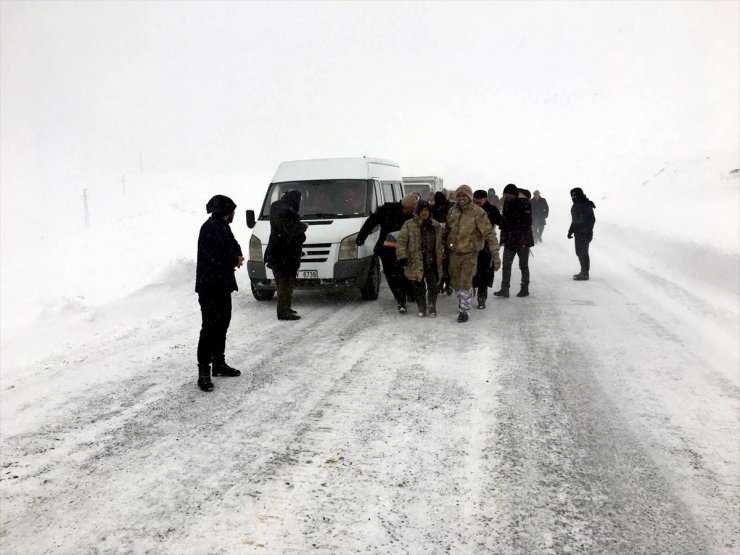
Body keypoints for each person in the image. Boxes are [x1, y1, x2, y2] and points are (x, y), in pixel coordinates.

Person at [195, 195, 244, 392]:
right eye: (232, 211)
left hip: (222, 286)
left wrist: (237, 255)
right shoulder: (209, 228)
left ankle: (219, 364)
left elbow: (233, 245)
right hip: (210, 287)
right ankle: (203, 373)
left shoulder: (223, 226)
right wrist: (233, 260)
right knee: (209, 329)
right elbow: (214, 257)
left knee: (222, 325)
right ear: (226, 212)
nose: (234, 215)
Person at [444, 185, 501, 323]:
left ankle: (464, 311)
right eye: (459, 196)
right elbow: (446, 231)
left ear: (469, 197)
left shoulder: (478, 212)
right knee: (455, 283)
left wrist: (495, 255)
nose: (461, 199)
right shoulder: (452, 211)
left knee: (464, 281)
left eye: (464, 196)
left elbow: (489, 234)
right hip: (454, 253)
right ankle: (466, 295)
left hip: (470, 254)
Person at [356, 193, 416, 313]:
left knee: (404, 274)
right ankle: (400, 299)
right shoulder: (388, 209)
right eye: (410, 209)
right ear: (405, 205)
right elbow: (372, 220)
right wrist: (362, 236)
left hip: (404, 251)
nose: (411, 211)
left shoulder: (413, 215)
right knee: (391, 275)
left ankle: (409, 294)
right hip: (386, 249)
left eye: (413, 209)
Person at [396, 200, 444, 318]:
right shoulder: (408, 224)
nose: (424, 213)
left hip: (432, 261)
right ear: (417, 211)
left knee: (433, 285)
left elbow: (442, 242)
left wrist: (442, 253)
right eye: (421, 210)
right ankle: (421, 306)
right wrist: (402, 256)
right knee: (418, 286)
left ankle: (432, 306)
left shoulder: (436, 225)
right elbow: (401, 242)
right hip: (415, 261)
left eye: (426, 210)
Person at [265, 190, 308, 320]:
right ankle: (283, 312)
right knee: (286, 284)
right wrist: (303, 227)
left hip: (276, 253)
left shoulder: (276, 208)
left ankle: (286, 308)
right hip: (286, 256)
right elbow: (290, 231)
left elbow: (283, 229)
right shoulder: (288, 211)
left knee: (282, 283)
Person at [494, 183, 534, 298]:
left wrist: (521, 238)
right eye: (505, 194)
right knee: (506, 265)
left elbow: (527, 223)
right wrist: (503, 239)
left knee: (523, 265)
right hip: (510, 240)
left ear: (515, 194)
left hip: (523, 241)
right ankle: (504, 289)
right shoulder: (507, 203)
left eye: (509, 194)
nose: (507, 197)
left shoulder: (525, 203)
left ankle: (525, 289)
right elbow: (504, 222)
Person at [472, 190, 503, 309]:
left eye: (480, 198)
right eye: (476, 198)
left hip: (486, 245)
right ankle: (468, 294)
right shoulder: (470, 210)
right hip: (471, 245)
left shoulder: (492, 210)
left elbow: (502, 223)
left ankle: (481, 297)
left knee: (484, 272)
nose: (477, 201)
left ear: (485, 199)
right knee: (470, 270)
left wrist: (504, 237)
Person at [568, 187, 596, 280]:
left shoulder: (585, 204)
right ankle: (583, 271)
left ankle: (585, 274)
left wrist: (587, 231)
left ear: (579, 194)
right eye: (572, 195)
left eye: (574, 195)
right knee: (579, 252)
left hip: (584, 233)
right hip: (578, 233)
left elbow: (592, 220)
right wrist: (571, 230)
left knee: (583, 253)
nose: (573, 197)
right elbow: (575, 220)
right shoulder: (577, 204)